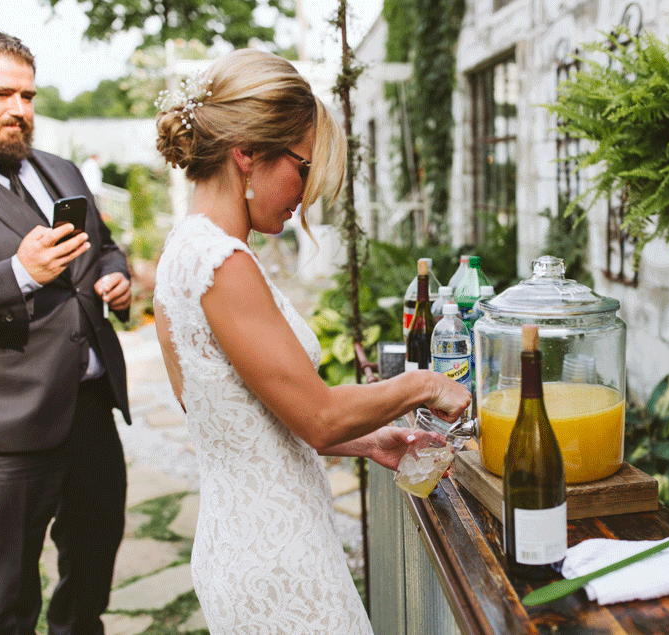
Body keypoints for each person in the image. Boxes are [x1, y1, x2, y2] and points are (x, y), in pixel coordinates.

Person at [152, 49, 470, 634]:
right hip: (277, 561)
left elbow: (239, 420)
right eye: (301, 167)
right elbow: (318, 416)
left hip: (247, 540)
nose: (306, 193)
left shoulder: (184, 251)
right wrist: (423, 383)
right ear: (246, 155)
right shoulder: (221, 262)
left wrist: (369, 440)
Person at [0, 31, 132, 634]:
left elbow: (105, 249)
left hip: (90, 412)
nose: (18, 109)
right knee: (3, 607)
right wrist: (17, 274)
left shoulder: (56, 169)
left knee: (89, 584)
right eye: (0, 93)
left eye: (28, 95)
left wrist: (116, 277)